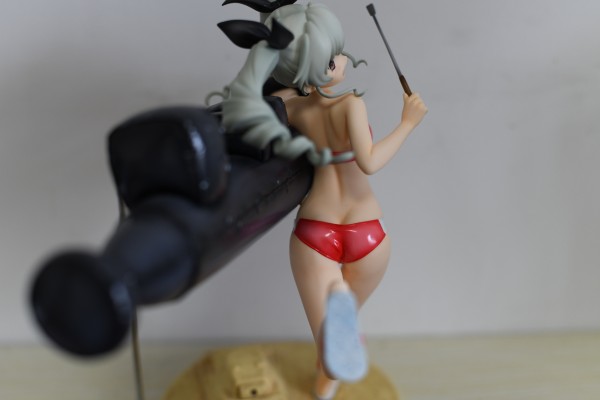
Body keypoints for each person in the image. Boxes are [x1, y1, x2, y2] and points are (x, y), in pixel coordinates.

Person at [219, 2, 427, 398]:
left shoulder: (288, 106)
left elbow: (255, 94)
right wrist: (407, 123)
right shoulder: (351, 105)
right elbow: (369, 162)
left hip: (316, 230)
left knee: (330, 332)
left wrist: (272, 49)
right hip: (368, 233)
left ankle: (330, 355)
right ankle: (327, 372)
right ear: (318, 67)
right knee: (341, 324)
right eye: (333, 57)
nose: (344, 59)